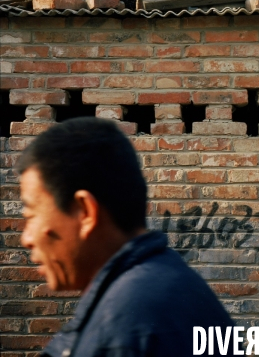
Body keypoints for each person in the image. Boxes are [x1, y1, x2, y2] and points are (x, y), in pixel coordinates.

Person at [18, 117, 236, 357]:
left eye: (31, 215)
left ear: (85, 213)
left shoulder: (123, 329)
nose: (26, 238)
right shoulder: (170, 281)